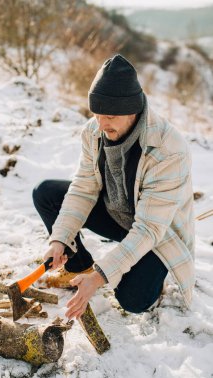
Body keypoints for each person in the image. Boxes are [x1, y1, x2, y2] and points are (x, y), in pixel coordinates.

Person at [32, 54, 195, 320]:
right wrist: (60, 238)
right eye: (96, 114)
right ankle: (79, 268)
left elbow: (149, 229)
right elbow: (84, 188)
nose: (101, 124)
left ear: (134, 110)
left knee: (132, 300)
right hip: (117, 215)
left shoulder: (167, 149)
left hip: (157, 236)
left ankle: (143, 275)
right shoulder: (95, 131)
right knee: (46, 193)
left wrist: (101, 276)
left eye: (109, 116)